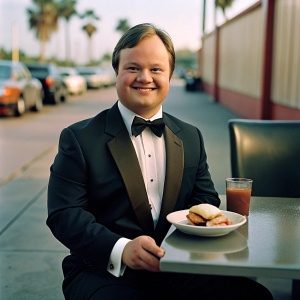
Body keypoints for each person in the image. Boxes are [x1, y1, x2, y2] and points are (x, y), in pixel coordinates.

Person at [47, 23, 273, 300]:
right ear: (116, 71)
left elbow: (204, 199)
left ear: (169, 75)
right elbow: (65, 214)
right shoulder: (78, 138)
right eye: (133, 68)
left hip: (181, 266)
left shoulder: (191, 136)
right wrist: (122, 249)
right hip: (103, 270)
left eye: (156, 69)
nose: (145, 78)